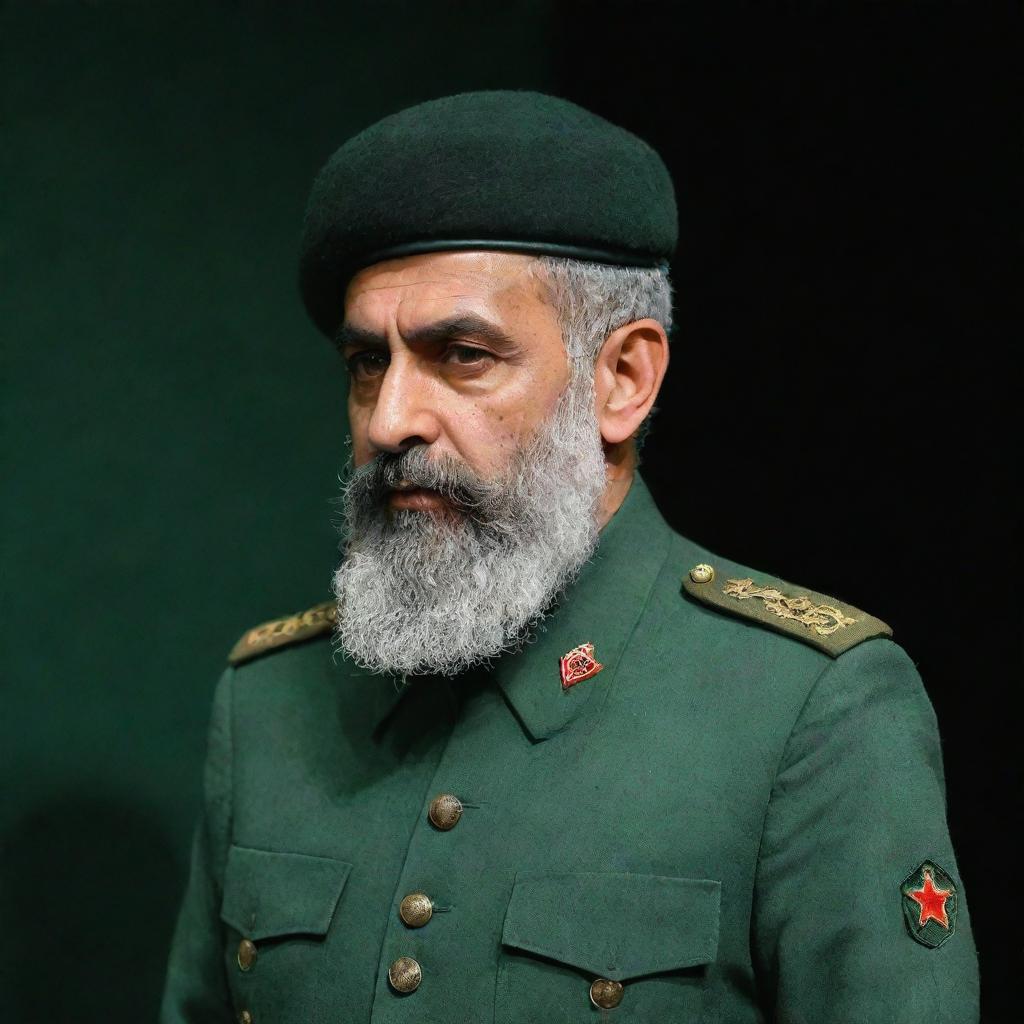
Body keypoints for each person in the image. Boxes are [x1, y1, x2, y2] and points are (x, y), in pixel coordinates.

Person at [160, 90, 979, 1023]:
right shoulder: (268, 704)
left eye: (464, 355)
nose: (390, 420)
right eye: (365, 363)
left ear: (622, 379)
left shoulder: (807, 711)